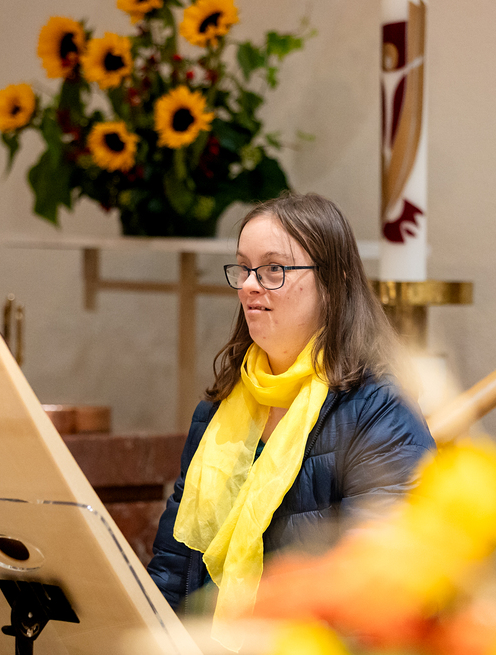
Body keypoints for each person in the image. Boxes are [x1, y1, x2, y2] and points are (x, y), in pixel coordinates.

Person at [146, 193, 436, 639]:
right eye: (244, 268)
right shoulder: (217, 411)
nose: (249, 285)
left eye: (273, 270)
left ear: (333, 283)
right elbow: (172, 568)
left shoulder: (378, 413)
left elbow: (380, 590)